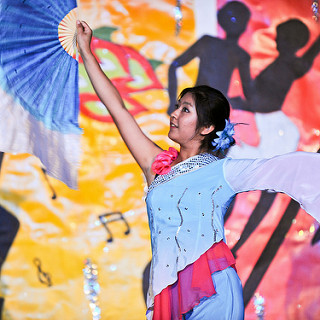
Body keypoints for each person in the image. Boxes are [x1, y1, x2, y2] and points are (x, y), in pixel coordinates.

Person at [76, 21, 320, 320]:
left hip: (215, 289)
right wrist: (87, 52)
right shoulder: (157, 166)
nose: (174, 114)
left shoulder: (224, 172)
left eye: (185, 110)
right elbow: (118, 110)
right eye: (177, 106)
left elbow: (288, 168)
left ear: (206, 128)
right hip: (168, 289)